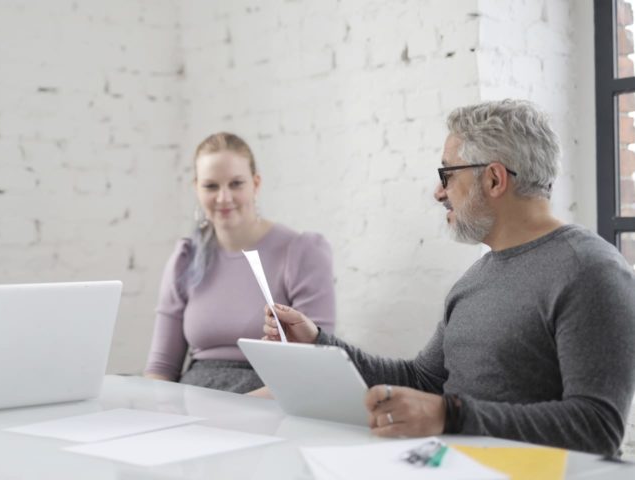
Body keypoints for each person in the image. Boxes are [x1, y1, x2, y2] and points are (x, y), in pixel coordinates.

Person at [263, 99, 635, 456]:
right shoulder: (477, 277)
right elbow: (423, 380)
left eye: (447, 174)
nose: (438, 192)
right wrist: (317, 342)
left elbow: (598, 427)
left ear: (493, 179)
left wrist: (451, 415)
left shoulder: (590, 271)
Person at [144, 132, 336, 393]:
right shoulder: (186, 258)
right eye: (211, 186)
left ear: (255, 184)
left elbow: (314, 364)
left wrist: (232, 411)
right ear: (196, 188)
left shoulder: (302, 252)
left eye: (236, 184)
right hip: (194, 402)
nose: (224, 198)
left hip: (268, 400)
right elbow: (161, 368)